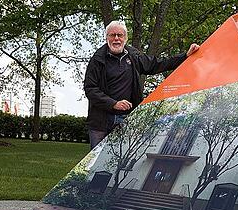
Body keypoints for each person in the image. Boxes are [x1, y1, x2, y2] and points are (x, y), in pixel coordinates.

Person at [84, 20, 200, 149]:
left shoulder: (133, 56)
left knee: (120, 161)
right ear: (107, 38)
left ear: (125, 38)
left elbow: (156, 64)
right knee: (95, 163)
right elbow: (90, 89)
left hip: (126, 118)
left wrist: (185, 56)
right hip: (100, 122)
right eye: (112, 35)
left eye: (120, 35)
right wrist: (113, 104)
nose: (116, 38)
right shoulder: (97, 59)